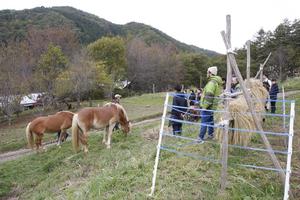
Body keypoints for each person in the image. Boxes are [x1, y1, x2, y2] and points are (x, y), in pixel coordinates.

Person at [198, 66, 222, 142]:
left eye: (207, 72)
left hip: (208, 107)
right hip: (212, 107)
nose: (206, 73)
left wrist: (204, 106)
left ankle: (200, 138)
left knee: (204, 122)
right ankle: (211, 134)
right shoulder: (216, 82)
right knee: (210, 121)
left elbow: (209, 95)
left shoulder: (211, 83)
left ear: (210, 73)